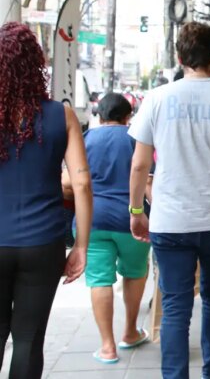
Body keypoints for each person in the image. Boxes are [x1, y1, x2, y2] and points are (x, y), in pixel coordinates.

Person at [127, 22, 210, 379]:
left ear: (179, 57)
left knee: (174, 306)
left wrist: (137, 210)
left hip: (170, 219)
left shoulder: (156, 99)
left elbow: (140, 163)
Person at [0, 22, 92, 378]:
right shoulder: (61, 115)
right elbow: (82, 184)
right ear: (36, 64)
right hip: (43, 244)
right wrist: (81, 244)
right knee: (28, 339)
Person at [62, 93, 152, 364]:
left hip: (93, 220)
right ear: (128, 116)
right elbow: (148, 180)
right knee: (135, 273)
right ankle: (130, 332)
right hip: (132, 219)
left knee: (100, 279)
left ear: (99, 115)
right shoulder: (137, 139)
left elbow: (69, 182)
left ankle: (107, 347)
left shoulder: (87, 138)